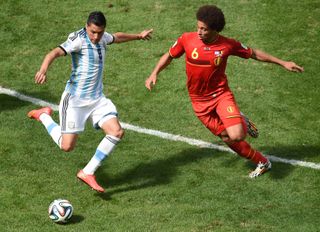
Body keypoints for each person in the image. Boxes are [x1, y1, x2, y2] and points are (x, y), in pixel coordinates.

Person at [145, 5, 304, 178]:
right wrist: (154, 73)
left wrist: (283, 63)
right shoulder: (187, 39)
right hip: (198, 101)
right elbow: (169, 55)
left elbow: (254, 54)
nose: (199, 32)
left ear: (215, 30)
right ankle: (263, 162)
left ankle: (241, 119)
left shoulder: (227, 45)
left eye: (204, 29)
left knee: (237, 135)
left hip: (220, 96)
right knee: (226, 137)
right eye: (198, 27)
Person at [28, 11, 153, 192]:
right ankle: (44, 116)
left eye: (100, 32)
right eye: (93, 32)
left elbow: (116, 37)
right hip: (75, 101)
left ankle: (88, 172)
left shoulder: (102, 37)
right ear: (87, 26)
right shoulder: (77, 39)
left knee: (116, 132)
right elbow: (54, 52)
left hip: (97, 100)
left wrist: (138, 36)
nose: (96, 36)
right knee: (67, 146)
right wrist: (43, 69)